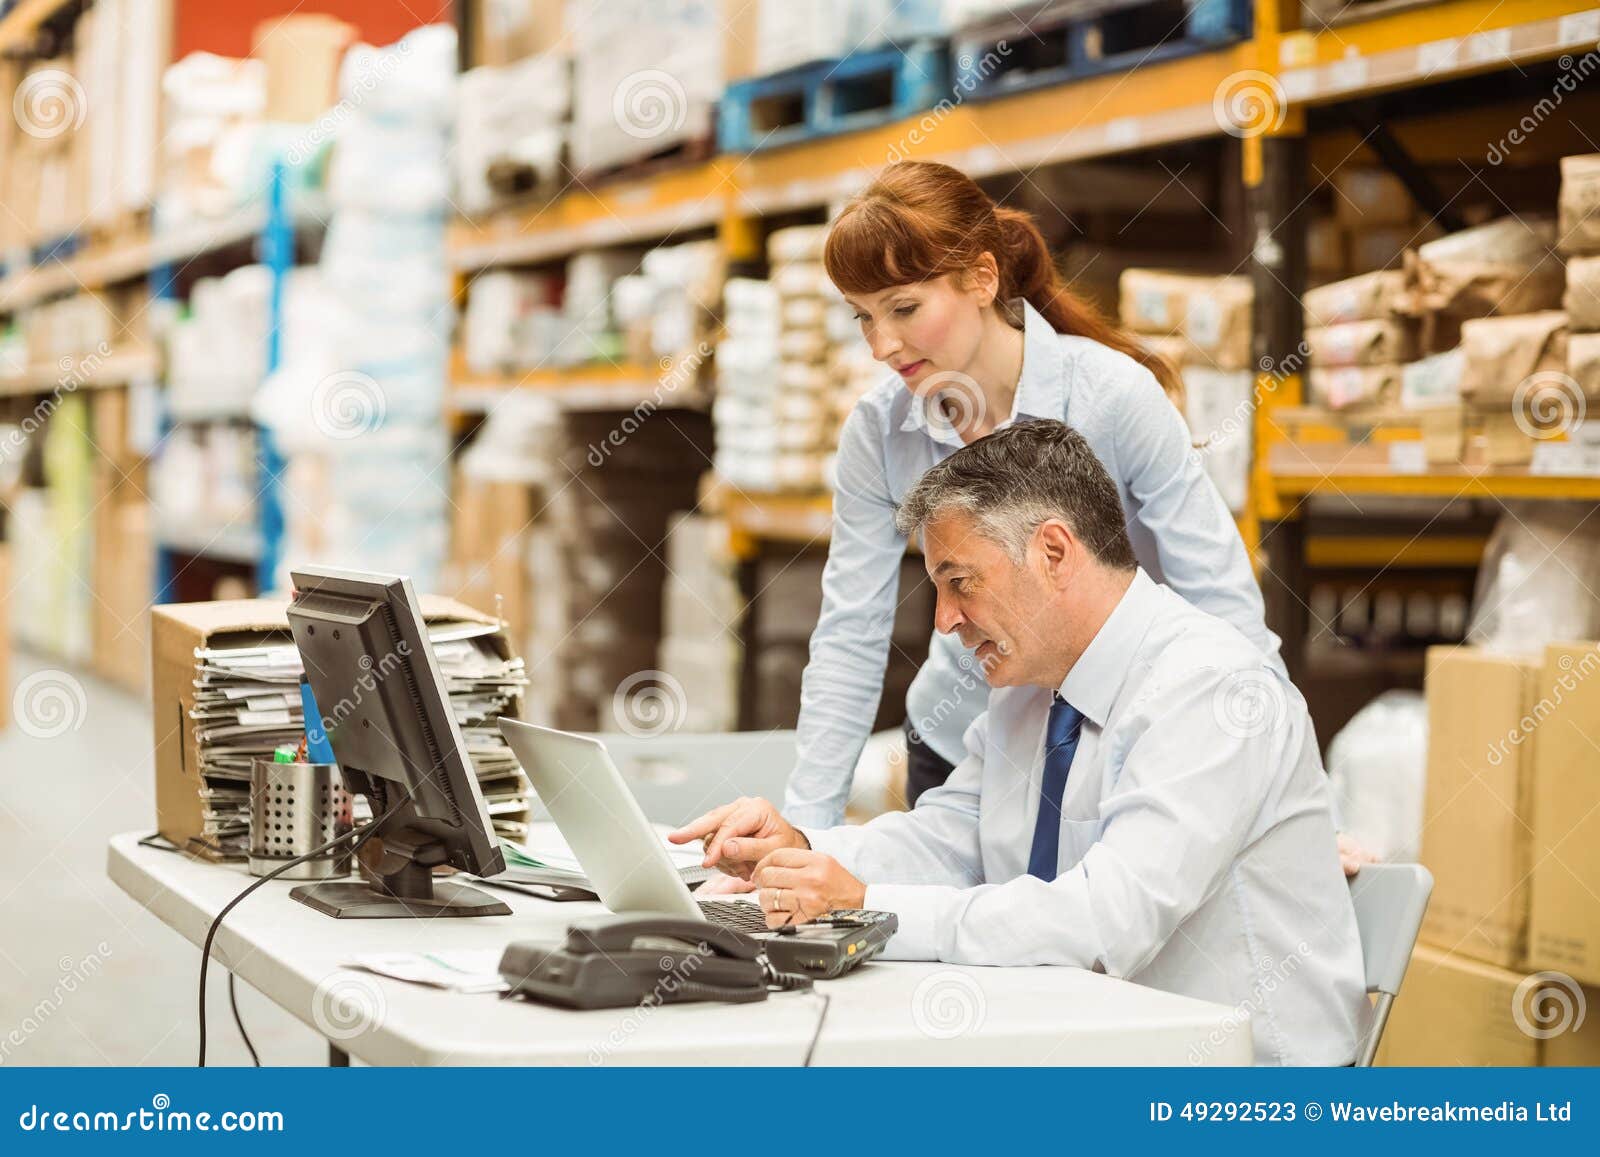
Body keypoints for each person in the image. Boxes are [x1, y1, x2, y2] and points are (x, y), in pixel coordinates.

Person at [672, 422, 1369, 1066]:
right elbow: (951, 839)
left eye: (959, 583)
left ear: (1055, 551)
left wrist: (868, 905)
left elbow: (1104, 923)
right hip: (1103, 1047)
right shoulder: (1030, 688)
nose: (945, 621)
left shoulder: (1210, 690)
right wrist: (805, 852)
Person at [784, 160, 1281, 827]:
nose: (881, 344)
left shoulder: (1113, 397)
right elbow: (851, 634)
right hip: (961, 741)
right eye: (863, 319)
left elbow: (1221, 595)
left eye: (903, 309)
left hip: (1121, 733)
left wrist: (1281, 791)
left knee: (1089, 922)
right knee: (963, 926)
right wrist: (806, 832)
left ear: (982, 278)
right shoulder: (881, 433)